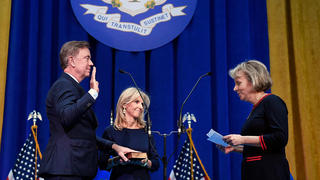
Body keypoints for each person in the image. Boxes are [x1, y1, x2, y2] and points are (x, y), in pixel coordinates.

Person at [39, 41, 136, 180]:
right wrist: (92, 94)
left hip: (74, 169)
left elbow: (83, 134)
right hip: (66, 170)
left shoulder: (73, 87)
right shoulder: (63, 85)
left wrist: (114, 147)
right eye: (87, 58)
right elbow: (67, 117)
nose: (91, 63)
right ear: (71, 61)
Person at [217, 60, 290, 180]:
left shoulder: (272, 102)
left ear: (253, 81)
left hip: (270, 173)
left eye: (238, 83)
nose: (235, 88)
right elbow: (263, 148)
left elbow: (279, 139)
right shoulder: (256, 108)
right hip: (254, 172)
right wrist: (236, 148)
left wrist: (242, 139)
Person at [99, 87, 160, 180]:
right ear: (124, 104)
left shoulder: (146, 131)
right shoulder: (111, 131)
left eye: (142, 104)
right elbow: (102, 164)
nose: (140, 107)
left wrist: (146, 162)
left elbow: (156, 163)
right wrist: (117, 161)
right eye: (136, 102)